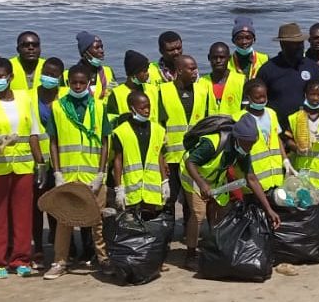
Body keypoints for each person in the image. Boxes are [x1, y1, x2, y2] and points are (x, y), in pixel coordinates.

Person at [0, 57, 44, 277]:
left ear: (11, 77)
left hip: (23, 167)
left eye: (1, 76)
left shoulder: (24, 98)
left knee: (23, 215)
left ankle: (21, 259)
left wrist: (40, 162)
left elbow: (33, 134)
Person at [181, 114, 282, 270]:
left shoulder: (242, 150)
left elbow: (251, 179)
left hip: (214, 180)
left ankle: (213, 249)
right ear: (237, 137)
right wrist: (201, 184)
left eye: (252, 144)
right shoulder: (213, 143)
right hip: (193, 177)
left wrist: (269, 209)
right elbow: (190, 162)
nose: (249, 148)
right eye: (247, 144)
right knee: (198, 214)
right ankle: (190, 255)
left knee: (222, 212)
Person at [45, 64, 112, 279]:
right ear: (68, 83)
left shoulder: (99, 107)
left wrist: (101, 173)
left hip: (93, 174)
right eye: (74, 82)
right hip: (68, 174)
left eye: (82, 82)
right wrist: (57, 172)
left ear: (89, 83)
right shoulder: (58, 107)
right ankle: (60, 261)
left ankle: (103, 258)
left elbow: (104, 143)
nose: (78, 85)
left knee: (98, 220)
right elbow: (53, 143)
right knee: (64, 220)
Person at [112, 93, 169, 268]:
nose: (147, 110)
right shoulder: (121, 132)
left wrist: (164, 181)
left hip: (151, 184)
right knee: (130, 224)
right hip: (132, 184)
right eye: (143, 107)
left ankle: (152, 260)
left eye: (148, 106)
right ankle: (132, 260)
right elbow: (118, 160)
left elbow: (159, 156)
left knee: (151, 223)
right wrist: (118, 187)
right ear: (132, 108)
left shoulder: (158, 129)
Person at [158, 55, 208, 232]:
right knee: (169, 199)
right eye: (191, 69)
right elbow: (158, 126)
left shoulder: (203, 90)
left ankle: (189, 234)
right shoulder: (163, 91)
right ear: (179, 71)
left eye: (195, 68)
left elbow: (208, 121)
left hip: (194, 157)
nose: (196, 72)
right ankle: (166, 234)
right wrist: (161, 159)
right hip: (171, 156)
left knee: (192, 199)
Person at [31, 57, 66, 268]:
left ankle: (57, 244)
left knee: (57, 205)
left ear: (61, 77)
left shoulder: (65, 99)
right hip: (35, 161)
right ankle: (37, 249)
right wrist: (40, 162)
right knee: (36, 207)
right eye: (46, 72)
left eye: (54, 75)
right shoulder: (29, 97)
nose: (48, 77)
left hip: (60, 160)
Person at [257, 22, 319, 131]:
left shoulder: (312, 67)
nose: (300, 47)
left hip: (305, 128)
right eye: (295, 44)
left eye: (301, 43)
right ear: (283, 45)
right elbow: (258, 101)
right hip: (275, 129)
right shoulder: (268, 70)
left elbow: (318, 98)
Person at [243, 80, 291, 194]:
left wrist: (285, 159)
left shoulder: (271, 113)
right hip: (255, 182)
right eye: (257, 98)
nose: (261, 100)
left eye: (264, 97)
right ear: (248, 98)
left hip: (276, 178)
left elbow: (276, 138)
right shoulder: (241, 119)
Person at [106, 50, 159, 126]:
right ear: (133, 74)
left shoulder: (153, 90)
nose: (147, 74)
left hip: (153, 135)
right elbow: (111, 122)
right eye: (144, 71)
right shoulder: (116, 94)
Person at [201, 42, 245, 117]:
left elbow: (246, 111)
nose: (218, 61)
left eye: (222, 57)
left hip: (234, 127)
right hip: (209, 127)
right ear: (209, 58)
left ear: (229, 58)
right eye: (214, 57)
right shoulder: (201, 83)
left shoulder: (242, 81)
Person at [76, 31, 116, 101]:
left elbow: (114, 94)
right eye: (97, 48)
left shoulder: (108, 71)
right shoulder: (70, 74)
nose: (102, 51)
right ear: (85, 53)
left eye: (101, 47)